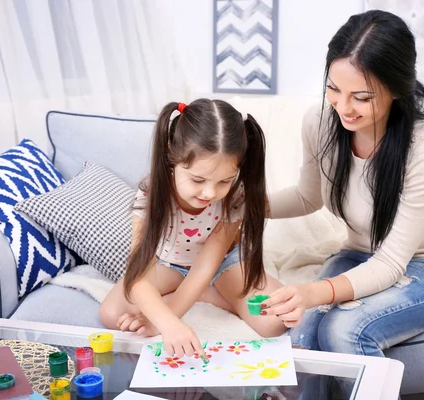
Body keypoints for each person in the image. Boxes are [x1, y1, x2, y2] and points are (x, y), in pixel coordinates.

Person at [261, 10, 424, 358]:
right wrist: (242, 203)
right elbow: (307, 196)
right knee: (300, 332)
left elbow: (391, 264)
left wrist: (313, 291)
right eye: (333, 88)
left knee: (344, 331)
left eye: (361, 97)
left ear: (395, 89)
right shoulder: (319, 123)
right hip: (360, 255)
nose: (343, 107)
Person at [100, 99, 286, 359]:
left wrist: (164, 318)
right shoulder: (151, 193)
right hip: (171, 266)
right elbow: (138, 272)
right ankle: (208, 294)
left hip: (222, 265)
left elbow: (206, 265)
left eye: (224, 181)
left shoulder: (235, 196)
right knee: (112, 313)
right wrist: (168, 323)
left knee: (274, 320)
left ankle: (209, 294)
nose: (210, 193)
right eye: (198, 179)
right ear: (171, 159)